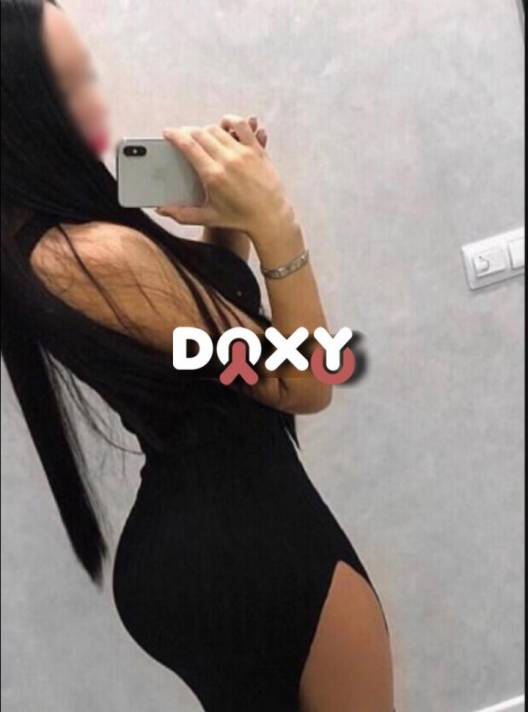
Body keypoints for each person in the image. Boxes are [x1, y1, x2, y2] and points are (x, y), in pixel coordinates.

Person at [1, 1, 395, 709]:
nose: (94, 100)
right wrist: (275, 222)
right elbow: (305, 381)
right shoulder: (99, 254)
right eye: (68, 83)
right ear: (22, 103)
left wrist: (228, 227)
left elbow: (204, 350)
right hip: (253, 537)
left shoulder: (45, 245)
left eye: (88, 75)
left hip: (191, 545)